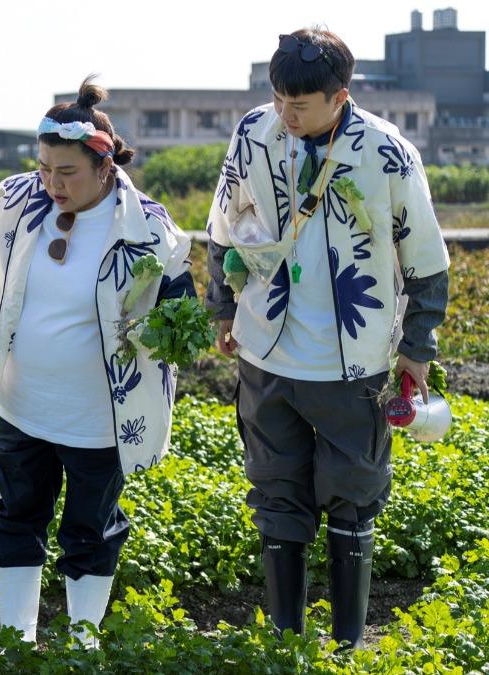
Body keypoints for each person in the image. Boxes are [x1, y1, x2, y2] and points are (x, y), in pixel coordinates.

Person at [205, 28, 450, 648]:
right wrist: (221, 308)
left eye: (301, 105)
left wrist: (418, 346)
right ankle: (286, 641)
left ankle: (345, 643)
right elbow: (224, 226)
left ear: (340, 96)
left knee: (352, 494)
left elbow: (425, 257)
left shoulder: (387, 152)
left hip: (354, 355)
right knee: (275, 489)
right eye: (280, 98)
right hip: (267, 345)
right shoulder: (253, 133)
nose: (286, 114)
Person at [0, 77, 196, 646]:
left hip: (98, 415)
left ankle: (82, 641)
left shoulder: (148, 229)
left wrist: (162, 334)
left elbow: (183, 316)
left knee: (91, 528)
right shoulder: (18, 201)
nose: (52, 183)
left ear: (104, 168)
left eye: (67, 173)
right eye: (44, 168)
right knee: (17, 516)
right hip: (22, 401)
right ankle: (17, 638)